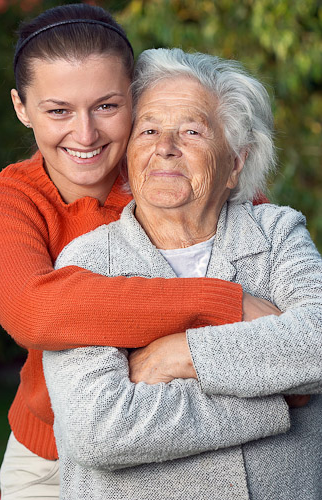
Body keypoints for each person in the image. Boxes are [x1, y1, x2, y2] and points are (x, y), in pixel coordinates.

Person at [0, 4, 273, 499]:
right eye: (58, 111)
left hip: (190, 428)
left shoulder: (179, 174)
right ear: (21, 107)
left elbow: (263, 262)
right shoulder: (10, 200)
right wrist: (220, 302)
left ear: (135, 99)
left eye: (107, 106)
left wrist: (177, 349)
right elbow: (36, 310)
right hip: (50, 454)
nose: (85, 134)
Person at [43, 48, 322, 500]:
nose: (165, 147)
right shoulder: (88, 262)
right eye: (149, 129)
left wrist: (181, 355)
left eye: (191, 131)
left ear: (234, 163)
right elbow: (99, 429)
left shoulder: (275, 233)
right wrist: (274, 396)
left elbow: (318, 341)